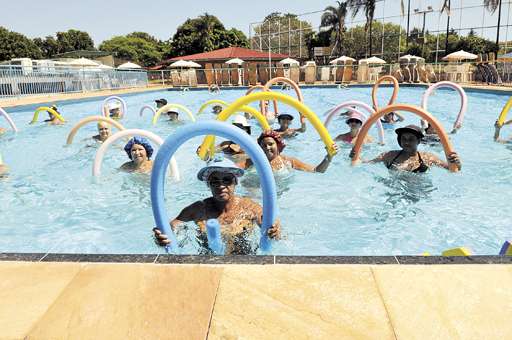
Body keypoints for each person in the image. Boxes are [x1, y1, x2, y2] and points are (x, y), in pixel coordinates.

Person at [152, 158, 281, 254]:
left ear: (235, 182)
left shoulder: (249, 207)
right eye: (215, 181)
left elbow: (271, 227)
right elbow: (171, 228)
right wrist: (161, 237)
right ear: (208, 185)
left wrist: (275, 231)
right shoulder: (198, 209)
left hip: (243, 262)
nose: (221, 186)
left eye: (227, 180)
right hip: (208, 263)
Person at [351, 125, 461, 173]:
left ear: (419, 141)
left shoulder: (428, 157)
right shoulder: (388, 155)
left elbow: (452, 170)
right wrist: (355, 156)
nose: (406, 142)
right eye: (403, 138)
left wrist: (457, 163)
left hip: (419, 194)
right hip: (394, 191)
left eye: (411, 139)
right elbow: (365, 163)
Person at [238, 130, 338, 173]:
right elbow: (232, 170)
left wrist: (329, 157)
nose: (267, 148)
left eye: (270, 144)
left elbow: (317, 171)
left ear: (278, 145)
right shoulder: (251, 162)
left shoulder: (288, 161)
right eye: (264, 145)